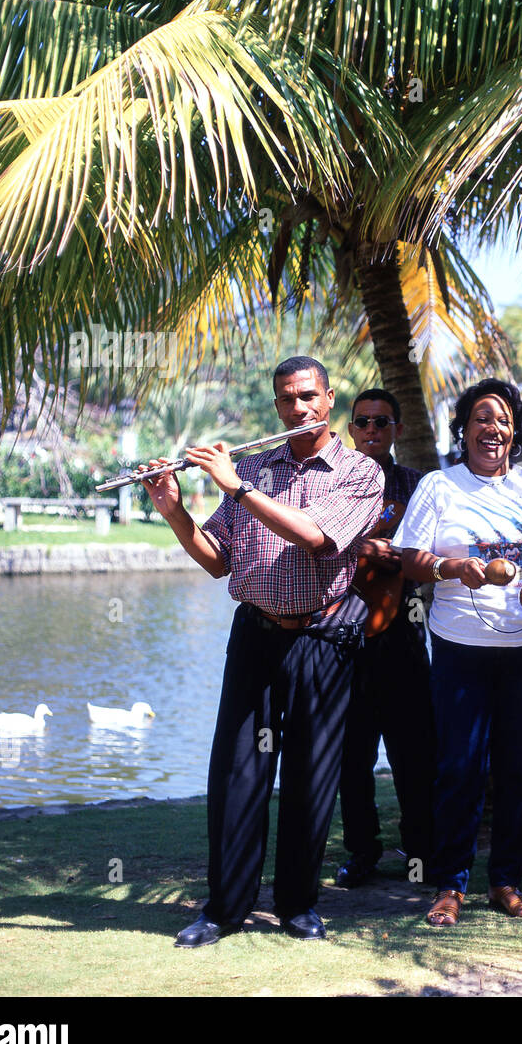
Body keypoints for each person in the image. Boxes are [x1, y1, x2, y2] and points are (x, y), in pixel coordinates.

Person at [141, 356, 384, 947]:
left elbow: (318, 539)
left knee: (310, 777)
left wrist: (239, 487)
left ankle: (298, 904)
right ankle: (224, 908)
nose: (296, 408)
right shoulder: (254, 467)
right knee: (238, 772)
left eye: (307, 397)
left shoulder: (359, 473)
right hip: (255, 635)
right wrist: (174, 510)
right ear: (276, 405)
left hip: (321, 640)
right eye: (285, 399)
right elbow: (218, 559)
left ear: (329, 400)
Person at [395, 378, 522, 926]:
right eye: (481, 418)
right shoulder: (439, 486)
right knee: (459, 767)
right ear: (463, 429)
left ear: (514, 431)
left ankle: (505, 881)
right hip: (460, 646)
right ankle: (450, 886)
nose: (492, 429)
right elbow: (410, 559)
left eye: (502, 420)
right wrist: (454, 568)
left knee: (518, 770)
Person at [335, 388, 435, 887]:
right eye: (362, 423)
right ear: (350, 428)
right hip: (341, 634)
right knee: (351, 757)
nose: (372, 432)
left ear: (396, 429)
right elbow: (315, 544)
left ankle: (420, 852)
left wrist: (387, 551)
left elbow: (429, 552)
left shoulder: (418, 486)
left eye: (381, 423)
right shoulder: (330, 484)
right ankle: (361, 852)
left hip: (404, 632)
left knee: (413, 752)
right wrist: (363, 547)